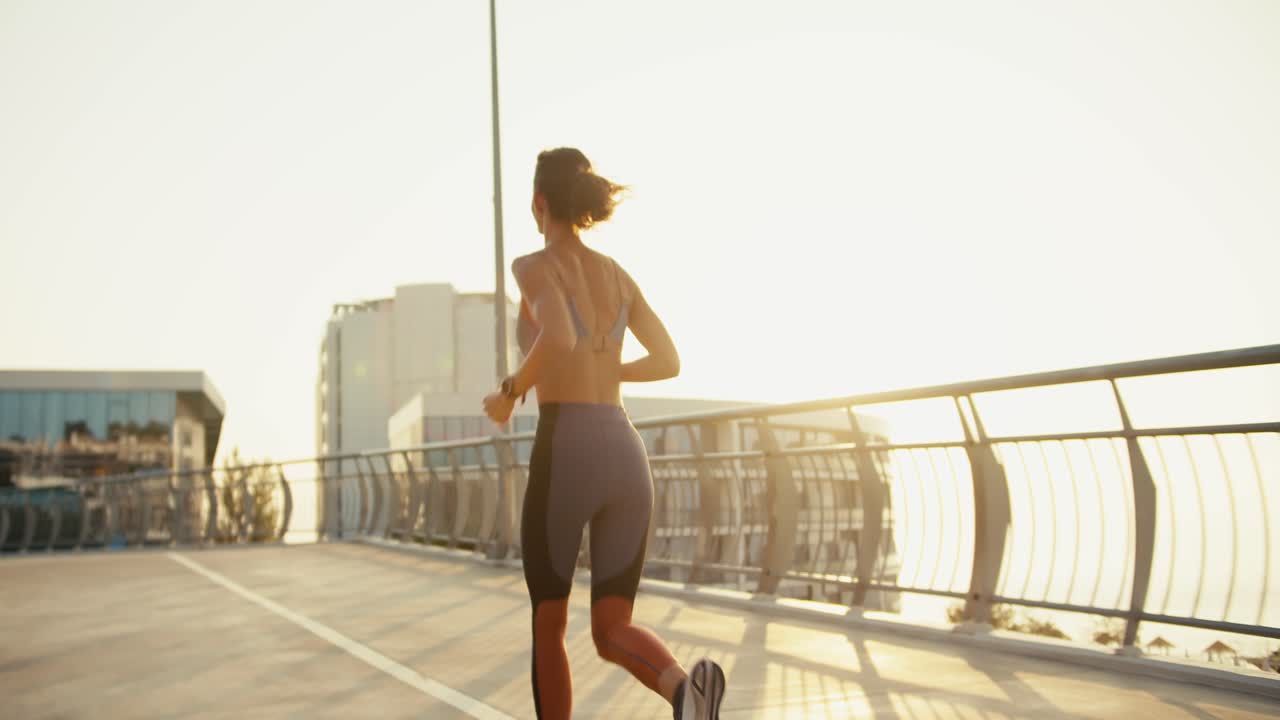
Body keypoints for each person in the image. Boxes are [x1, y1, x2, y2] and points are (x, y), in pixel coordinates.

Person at [483, 148, 726, 720]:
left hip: (567, 446)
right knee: (612, 626)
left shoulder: (534, 266)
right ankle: (681, 692)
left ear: (539, 204)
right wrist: (609, 370)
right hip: (624, 449)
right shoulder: (617, 274)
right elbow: (668, 360)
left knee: (550, 621)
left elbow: (561, 335)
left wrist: (513, 388)